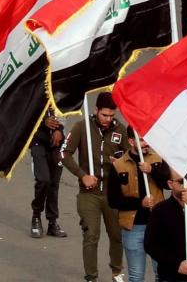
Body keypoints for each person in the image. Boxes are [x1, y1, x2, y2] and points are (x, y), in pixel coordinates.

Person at [62, 92, 126, 282]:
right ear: (96, 110)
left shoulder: (120, 130)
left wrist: (121, 163)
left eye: (111, 115)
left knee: (116, 235)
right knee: (91, 234)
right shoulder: (82, 127)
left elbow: (131, 158)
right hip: (88, 194)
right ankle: (91, 277)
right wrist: (82, 175)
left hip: (112, 194)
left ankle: (116, 272)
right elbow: (64, 153)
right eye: (104, 114)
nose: (108, 119)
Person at [109, 126, 174, 282]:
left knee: (163, 274)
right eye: (142, 140)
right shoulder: (118, 165)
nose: (146, 143)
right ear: (131, 141)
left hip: (158, 225)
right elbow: (113, 200)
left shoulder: (157, 159)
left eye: (147, 139)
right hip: (133, 227)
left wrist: (152, 170)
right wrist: (140, 203)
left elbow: (168, 183)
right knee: (136, 276)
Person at [29, 108, 67, 239]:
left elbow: (65, 110)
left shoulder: (61, 89)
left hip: (57, 143)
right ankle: (36, 216)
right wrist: (43, 121)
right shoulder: (33, 89)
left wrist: (59, 129)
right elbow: (28, 112)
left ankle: (52, 222)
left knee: (54, 183)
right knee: (43, 179)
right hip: (38, 141)